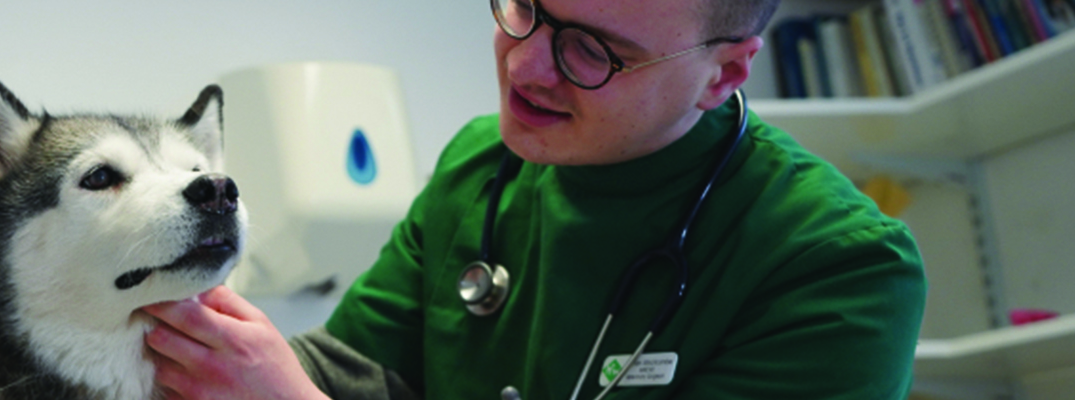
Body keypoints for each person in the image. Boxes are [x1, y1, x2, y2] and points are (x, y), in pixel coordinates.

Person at [143, 0, 927, 399]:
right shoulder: (480, 164)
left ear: (723, 74)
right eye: (527, 8)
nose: (526, 67)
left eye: (594, 50)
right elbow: (352, 373)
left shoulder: (840, 266)